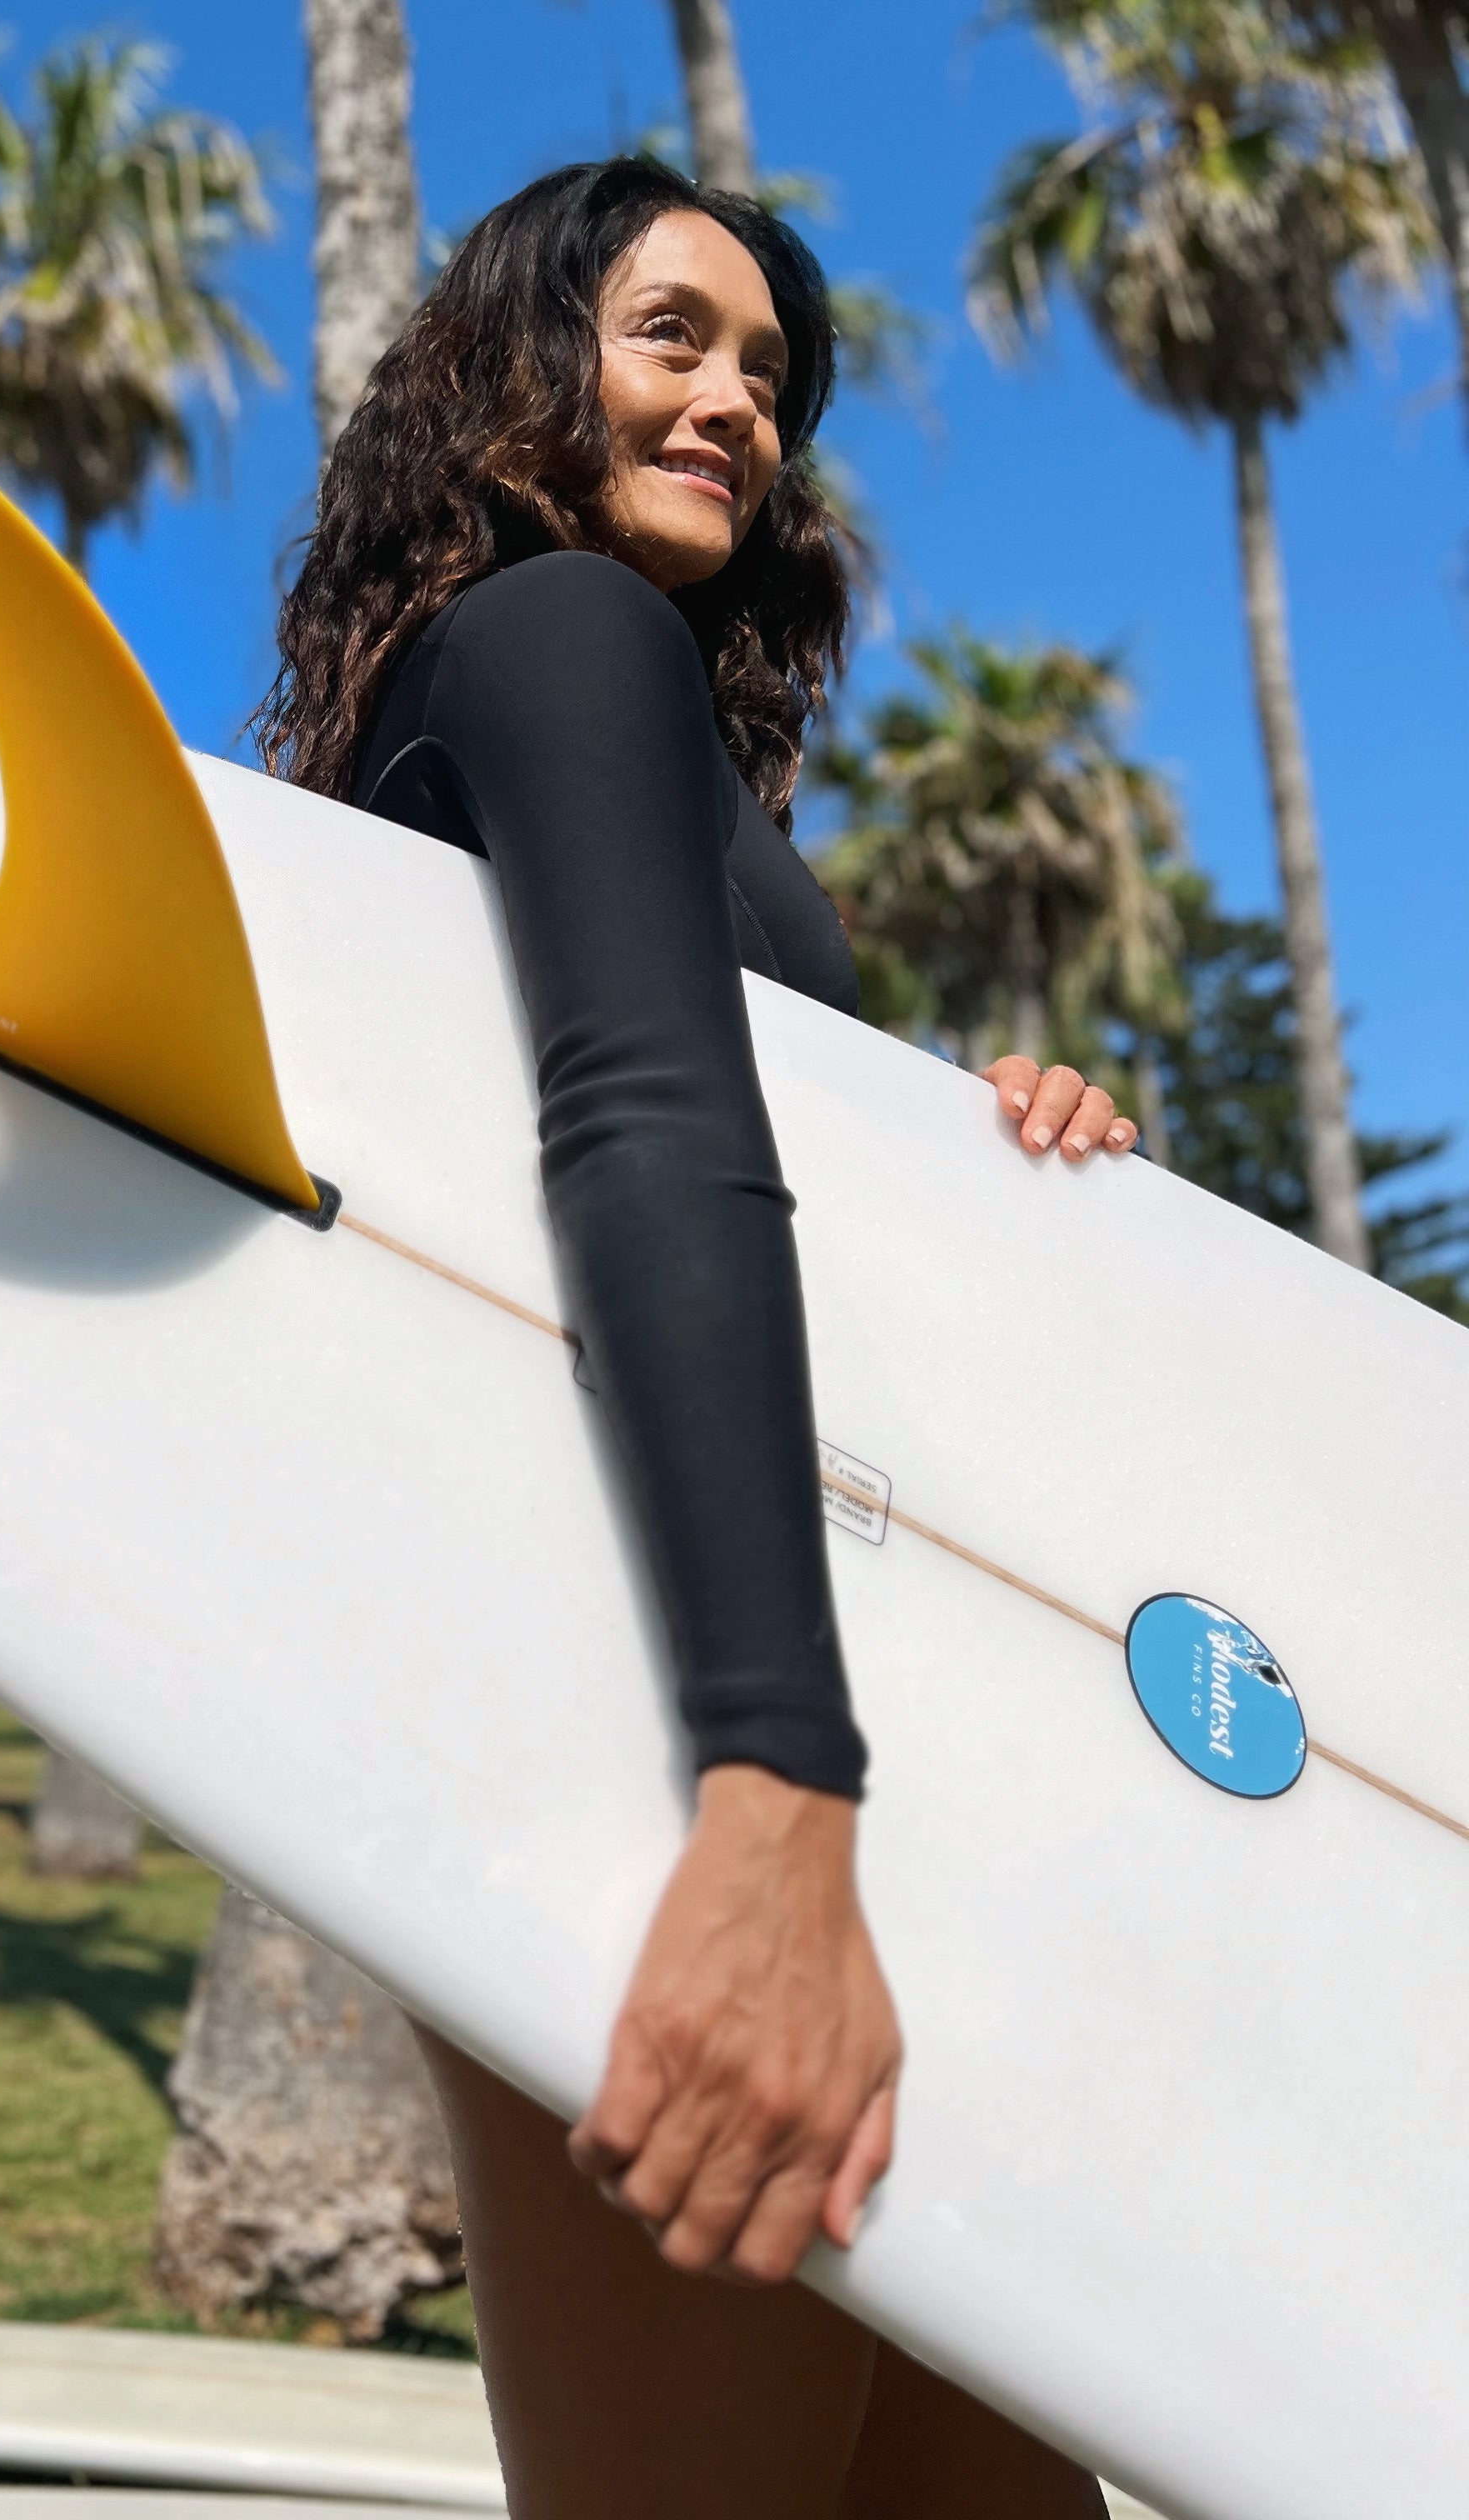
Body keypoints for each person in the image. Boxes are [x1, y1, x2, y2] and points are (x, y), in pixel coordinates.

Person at [257, 156, 1130, 2518]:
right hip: (665, 1763)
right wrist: (770, 1798)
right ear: (516, 368)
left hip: (761, 1720)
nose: (737, 401)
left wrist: (977, 1161)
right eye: (673, 337)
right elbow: (641, 1131)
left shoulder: (604, 728)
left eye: (769, 374)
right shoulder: (557, 639)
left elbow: (687, 1149)